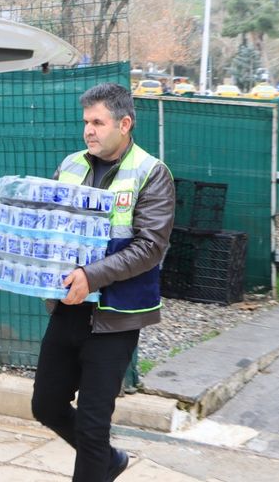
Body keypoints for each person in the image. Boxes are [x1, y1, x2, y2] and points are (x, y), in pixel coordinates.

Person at [31, 83, 175, 481]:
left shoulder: (151, 173)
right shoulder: (71, 165)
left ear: (124, 124)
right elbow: (52, 226)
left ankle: (99, 462)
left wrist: (91, 274)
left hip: (117, 315)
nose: (88, 131)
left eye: (98, 122)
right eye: (86, 123)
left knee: (94, 426)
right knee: (45, 406)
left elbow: (149, 246)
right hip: (69, 308)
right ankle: (110, 462)